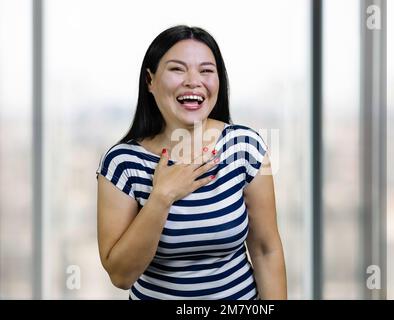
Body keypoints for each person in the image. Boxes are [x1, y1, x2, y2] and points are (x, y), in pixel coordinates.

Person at [96, 25, 287, 300]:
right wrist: (162, 196)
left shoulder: (246, 146)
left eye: (206, 70)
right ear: (149, 81)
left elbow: (266, 249)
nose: (193, 81)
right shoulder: (122, 163)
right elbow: (121, 275)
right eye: (177, 69)